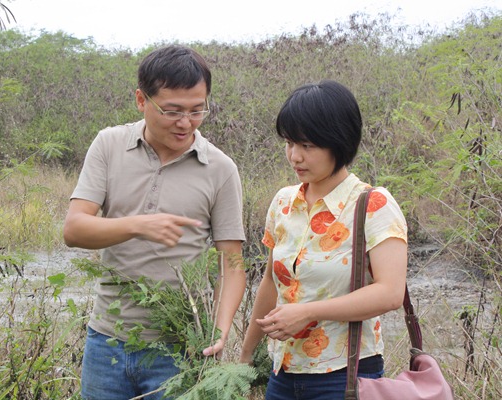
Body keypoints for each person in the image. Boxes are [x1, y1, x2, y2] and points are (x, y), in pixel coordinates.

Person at [63, 45, 246, 400]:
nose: (185, 123)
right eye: (172, 111)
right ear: (140, 100)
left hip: (180, 347)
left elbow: (233, 262)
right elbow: (74, 229)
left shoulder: (221, 169)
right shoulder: (109, 145)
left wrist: (219, 330)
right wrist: (139, 225)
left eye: (197, 110)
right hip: (107, 343)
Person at [239, 80, 408, 400]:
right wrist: (246, 355)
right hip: (283, 374)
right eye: (289, 143)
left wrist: (309, 312)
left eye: (307, 146)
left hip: (346, 376)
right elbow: (271, 283)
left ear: (338, 142)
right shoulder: (283, 203)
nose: (294, 156)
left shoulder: (373, 205)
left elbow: (390, 293)